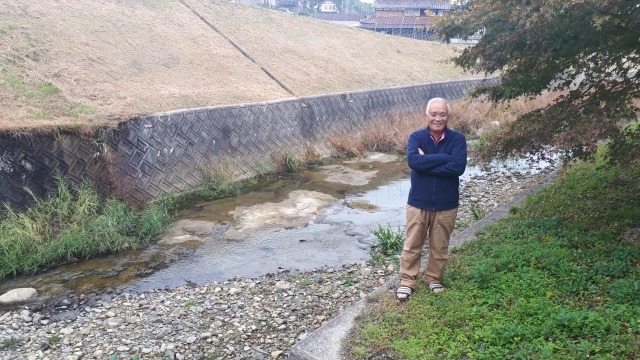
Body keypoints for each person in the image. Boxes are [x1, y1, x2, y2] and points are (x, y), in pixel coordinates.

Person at [395, 97, 467, 301]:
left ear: (448, 116)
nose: (438, 118)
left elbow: (458, 167)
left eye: (442, 114)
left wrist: (426, 161)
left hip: (446, 204)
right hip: (418, 202)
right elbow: (414, 162)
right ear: (426, 115)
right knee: (412, 244)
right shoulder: (416, 137)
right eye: (433, 114)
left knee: (440, 246)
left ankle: (434, 278)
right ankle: (408, 280)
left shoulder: (458, 139)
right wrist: (445, 158)